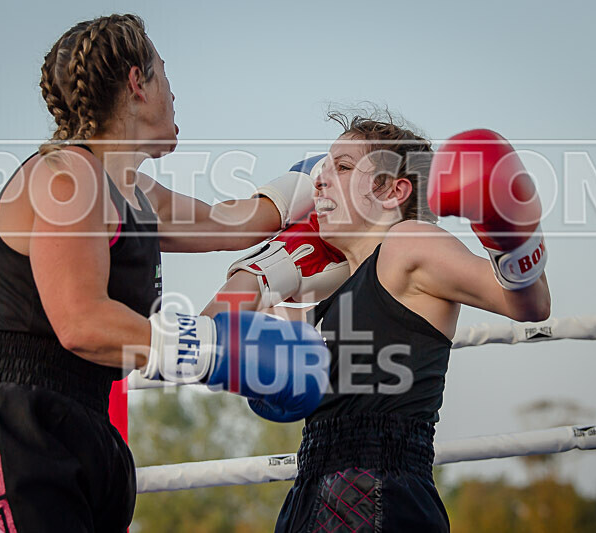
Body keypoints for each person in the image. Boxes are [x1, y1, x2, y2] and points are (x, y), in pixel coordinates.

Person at [0, 14, 329, 533]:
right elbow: (81, 322)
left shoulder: (134, 190)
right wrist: (219, 350)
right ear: (138, 83)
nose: (175, 94)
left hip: (81, 425)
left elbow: (239, 222)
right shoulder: (66, 175)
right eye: (165, 75)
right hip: (9, 426)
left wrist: (320, 176)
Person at [204, 112, 551, 531]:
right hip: (312, 496)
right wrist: (268, 269)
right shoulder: (329, 295)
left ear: (392, 190)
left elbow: (528, 305)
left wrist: (511, 232)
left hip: (381, 495)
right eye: (322, 168)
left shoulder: (406, 244)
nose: (319, 181)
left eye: (343, 167)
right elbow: (210, 337)